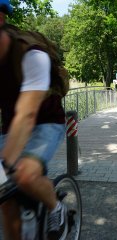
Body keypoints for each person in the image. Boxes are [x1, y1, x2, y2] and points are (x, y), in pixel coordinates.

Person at [0, 1, 68, 239]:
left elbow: (27, 114)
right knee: (6, 202)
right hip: (10, 126)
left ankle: (55, 207)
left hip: (46, 122)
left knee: (22, 174)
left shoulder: (32, 55)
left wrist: (4, 165)